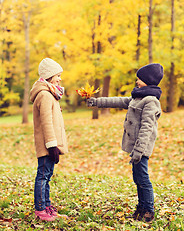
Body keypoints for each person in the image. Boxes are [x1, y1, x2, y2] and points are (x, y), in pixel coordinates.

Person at [87, 63, 164, 223]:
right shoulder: (138, 97)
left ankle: (148, 210)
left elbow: (147, 128)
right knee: (137, 177)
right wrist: (96, 102)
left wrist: (139, 151)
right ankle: (141, 207)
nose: (137, 81)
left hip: (141, 148)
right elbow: (118, 101)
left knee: (143, 178)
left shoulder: (150, 101)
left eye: (139, 79)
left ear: (148, 80)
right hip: (135, 147)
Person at [30, 58, 68, 221]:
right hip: (47, 144)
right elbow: (46, 122)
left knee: (47, 175)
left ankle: (46, 206)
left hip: (50, 144)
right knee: (43, 176)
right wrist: (52, 146)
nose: (59, 79)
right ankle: (40, 209)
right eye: (57, 75)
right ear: (49, 76)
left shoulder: (50, 94)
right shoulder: (45, 94)